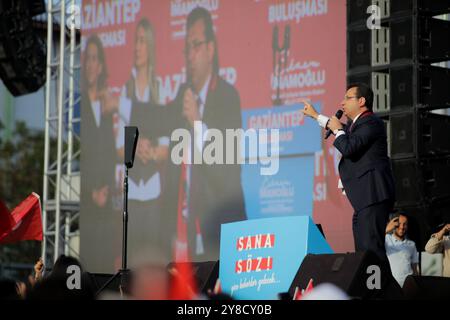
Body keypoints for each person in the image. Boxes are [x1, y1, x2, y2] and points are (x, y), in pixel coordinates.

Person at [162, 7, 246, 262]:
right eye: (186, 47)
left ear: (210, 49)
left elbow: (227, 167)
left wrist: (198, 122)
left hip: (219, 229)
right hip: (184, 235)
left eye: (196, 45)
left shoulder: (227, 96)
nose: (190, 54)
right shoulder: (182, 96)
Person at [301, 83, 395, 262]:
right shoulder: (358, 125)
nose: (342, 103)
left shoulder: (371, 122)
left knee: (372, 253)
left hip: (373, 195)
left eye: (347, 98)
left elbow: (349, 147)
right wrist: (315, 116)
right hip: (364, 200)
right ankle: (369, 288)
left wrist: (337, 129)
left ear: (361, 101)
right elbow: (344, 131)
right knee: (363, 255)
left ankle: (381, 288)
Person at [115, 17, 168, 255]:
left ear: (151, 47)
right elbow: (118, 146)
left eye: (142, 41)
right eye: (135, 41)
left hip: (154, 191)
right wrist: (137, 149)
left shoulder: (161, 90)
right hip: (132, 192)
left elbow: (167, 147)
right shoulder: (125, 92)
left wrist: (151, 151)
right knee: (133, 255)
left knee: (152, 256)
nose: (137, 47)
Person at [80, 34, 116, 216]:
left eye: (94, 59)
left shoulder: (106, 108)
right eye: (87, 59)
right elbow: (77, 155)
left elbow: (110, 152)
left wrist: (107, 188)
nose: (89, 65)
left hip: (107, 199)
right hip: (86, 200)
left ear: (100, 66)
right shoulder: (77, 105)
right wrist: (90, 193)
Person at [385, 213, 419, 287]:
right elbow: (373, 241)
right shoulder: (386, 239)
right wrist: (387, 229)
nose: (402, 227)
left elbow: (415, 269)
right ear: (394, 224)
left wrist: (416, 284)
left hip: (409, 286)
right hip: (392, 286)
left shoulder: (412, 244)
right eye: (399, 224)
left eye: (405, 224)